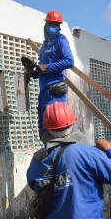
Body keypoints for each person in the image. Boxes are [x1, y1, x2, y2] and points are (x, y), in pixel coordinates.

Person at [30, 10, 75, 138]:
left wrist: (47, 67)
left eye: (57, 25)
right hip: (44, 91)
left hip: (54, 91)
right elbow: (43, 68)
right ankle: (47, 154)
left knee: (55, 126)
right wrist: (34, 73)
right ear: (46, 24)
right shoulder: (45, 45)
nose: (54, 27)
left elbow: (69, 61)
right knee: (44, 127)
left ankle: (57, 155)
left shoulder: (61, 40)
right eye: (51, 24)